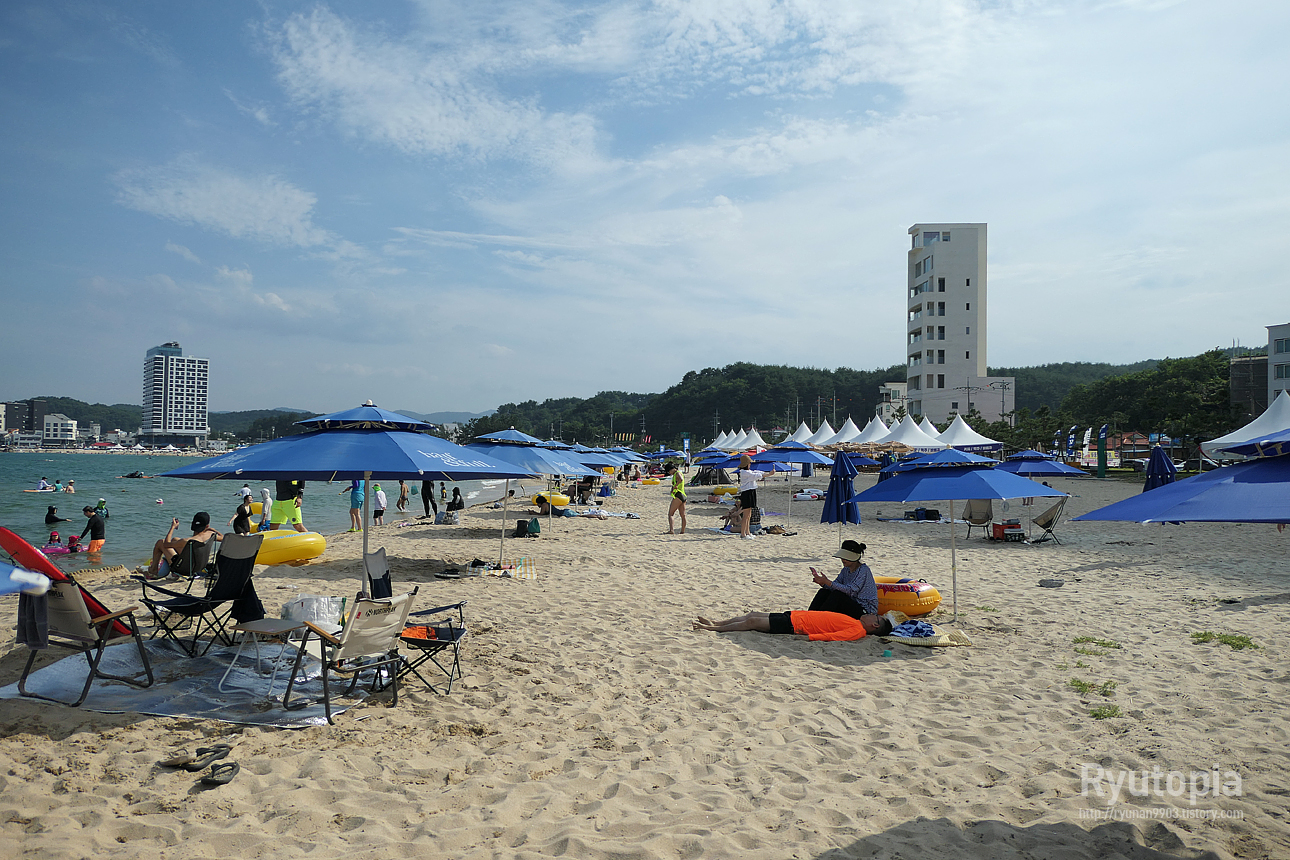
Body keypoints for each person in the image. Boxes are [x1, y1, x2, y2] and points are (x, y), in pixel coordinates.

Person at [805, 540, 888, 634]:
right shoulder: (846, 570)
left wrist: (828, 582)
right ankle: (809, 618)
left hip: (865, 611)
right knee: (824, 592)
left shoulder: (863, 570)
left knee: (837, 596)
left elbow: (850, 591)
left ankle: (817, 622)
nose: (843, 559)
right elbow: (835, 586)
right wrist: (823, 583)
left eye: (846, 557)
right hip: (850, 604)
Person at [692, 610, 870, 642]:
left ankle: (712, 629)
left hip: (796, 625)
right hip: (795, 616)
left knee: (752, 623)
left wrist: (809, 637)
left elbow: (834, 636)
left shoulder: (858, 630)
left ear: (874, 624)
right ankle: (717, 623)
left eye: (874, 617)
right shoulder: (855, 621)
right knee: (752, 615)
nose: (871, 614)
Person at [142, 512, 221, 579]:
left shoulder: (186, 541)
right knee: (175, 539)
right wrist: (213, 530)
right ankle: (171, 573)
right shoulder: (211, 535)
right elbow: (223, 538)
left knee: (160, 542)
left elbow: (166, 544)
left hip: (184, 569)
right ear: (207, 526)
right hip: (199, 566)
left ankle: (153, 570)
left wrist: (172, 527)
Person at [734, 454, 765, 540]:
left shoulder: (748, 472)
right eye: (749, 463)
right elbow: (755, 475)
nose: (750, 464)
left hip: (751, 492)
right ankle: (743, 534)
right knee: (746, 515)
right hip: (747, 493)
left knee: (749, 515)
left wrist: (765, 473)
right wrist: (768, 474)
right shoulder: (744, 472)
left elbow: (756, 472)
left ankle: (747, 532)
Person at [665, 462, 687, 535]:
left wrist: (675, 486)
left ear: (672, 469)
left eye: (669, 471)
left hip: (678, 495)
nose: (670, 473)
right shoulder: (678, 473)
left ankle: (671, 530)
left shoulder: (677, 473)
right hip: (683, 495)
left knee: (671, 514)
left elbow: (681, 479)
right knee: (683, 515)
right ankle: (682, 531)